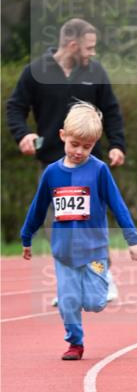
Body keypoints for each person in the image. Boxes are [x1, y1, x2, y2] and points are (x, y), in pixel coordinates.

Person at [7, 18, 128, 302]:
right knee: (57, 225)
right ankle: (69, 284)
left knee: (91, 222)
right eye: (89, 47)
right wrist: (23, 134)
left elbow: (111, 111)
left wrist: (117, 145)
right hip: (53, 163)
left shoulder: (95, 72)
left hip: (89, 165)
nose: (93, 53)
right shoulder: (35, 72)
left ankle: (102, 276)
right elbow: (15, 107)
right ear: (72, 45)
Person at [20, 103, 137, 361]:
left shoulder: (99, 170)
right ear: (62, 136)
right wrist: (26, 236)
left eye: (87, 147)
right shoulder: (52, 173)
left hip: (95, 253)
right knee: (68, 302)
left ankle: (101, 279)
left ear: (94, 144)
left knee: (95, 303)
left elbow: (117, 205)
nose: (79, 151)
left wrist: (133, 239)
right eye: (74, 144)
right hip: (63, 252)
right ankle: (75, 343)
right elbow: (38, 207)